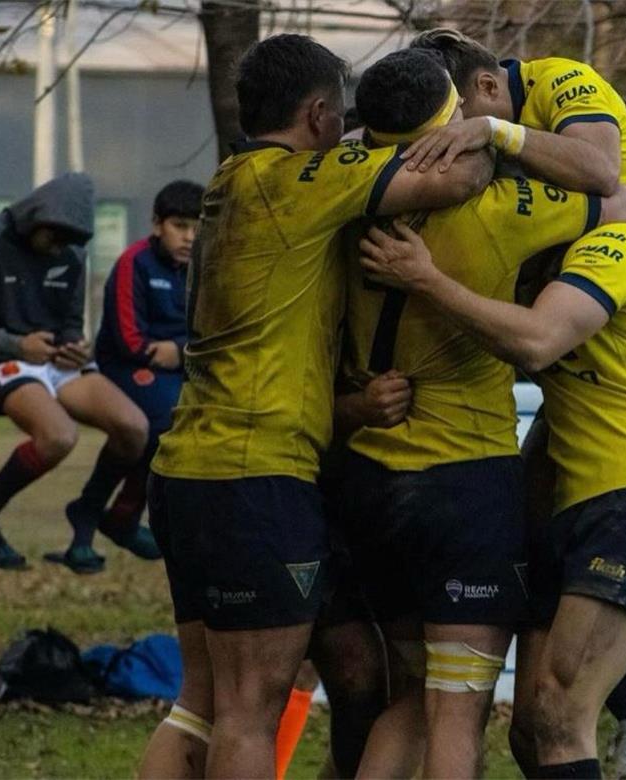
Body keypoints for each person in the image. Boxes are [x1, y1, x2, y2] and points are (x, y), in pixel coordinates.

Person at [407, 29, 626, 779]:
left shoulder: (556, 82)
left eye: (455, 126)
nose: (453, 148)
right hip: (587, 320)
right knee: (533, 526)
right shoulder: (479, 148)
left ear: (482, 89)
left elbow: (605, 176)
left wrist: (494, 133)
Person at [139, 34, 494, 779]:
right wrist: (481, 125)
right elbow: (457, 181)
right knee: (248, 711)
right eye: (345, 116)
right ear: (320, 114)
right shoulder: (308, 178)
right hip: (254, 477)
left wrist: (351, 405)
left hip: (188, 470)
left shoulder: (232, 181)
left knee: (203, 702)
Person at [334, 49, 626, 778]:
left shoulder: (340, 199)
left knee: (407, 695)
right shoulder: (503, 206)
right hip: (462, 481)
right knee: (455, 705)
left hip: (365, 477)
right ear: (451, 115)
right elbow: (624, 200)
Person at [361, 221, 626, 780]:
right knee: (531, 730)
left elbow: (536, 341)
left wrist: (426, 277)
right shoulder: (534, 266)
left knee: (560, 711)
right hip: (566, 511)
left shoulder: (615, 243)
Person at [0, 172, 150, 571]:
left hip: (52, 360)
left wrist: (73, 345)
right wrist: (15, 345)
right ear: (36, 218)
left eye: (70, 241)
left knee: (134, 427)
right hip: (2, 358)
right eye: (55, 237)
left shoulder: (71, 251)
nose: (60, 248)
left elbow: (68, 317)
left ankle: (86, 512)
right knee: (58, 436)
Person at [81, 180, 207, 568]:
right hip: (125, 367)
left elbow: (212, 331)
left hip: (177, 365)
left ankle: (122, 514)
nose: (189, 237)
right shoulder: (133, 262)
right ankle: (111, 513)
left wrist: (182, 351)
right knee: (167, 417)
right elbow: (127, 338)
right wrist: (175, 352)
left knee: (192, 421)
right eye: (179, 226)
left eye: (196, 227)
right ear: (157, 225)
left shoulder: (205, 269)